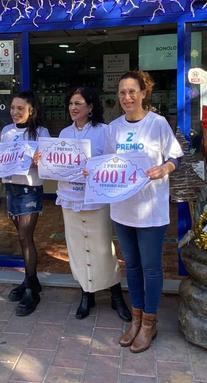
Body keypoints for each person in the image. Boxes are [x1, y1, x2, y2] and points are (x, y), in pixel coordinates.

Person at [107, 71, 183, 353]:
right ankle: (136, 317)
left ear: (143, 93)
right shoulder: (113, 128)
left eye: (132, 92)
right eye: (122, 92)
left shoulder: (157, 124)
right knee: (133, 266)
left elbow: (174, 156)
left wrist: (165, 168)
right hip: (122, 208)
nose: (127, 97)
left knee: (151, 267)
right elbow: (105, 162)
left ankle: (150, 322)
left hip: (151, 209)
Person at [56, 87, 131, 321]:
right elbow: (56, 162)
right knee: (76, 247)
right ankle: (86, 294)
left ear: (90, 107)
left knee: (102, 248)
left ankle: (115, 293)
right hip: (70, 198)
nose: (73, 108)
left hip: (96, 199)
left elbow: (113, 162)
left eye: (78, 103)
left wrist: (95, 168)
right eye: (71, 103)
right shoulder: (64, 133)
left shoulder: (104, 131)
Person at [0, 91, 50, 316]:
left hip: (30, 189)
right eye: (12, 108)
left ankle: (31, 290)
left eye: (20, 108)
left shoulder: (41, 133)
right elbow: (1, 159)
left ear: (32, 111)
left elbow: (48, 166)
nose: (15, 112)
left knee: (25, 237)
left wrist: (41, 162)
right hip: (11, 187)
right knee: (21, 238)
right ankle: (31, 280)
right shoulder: (6, 131)